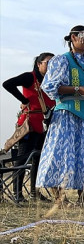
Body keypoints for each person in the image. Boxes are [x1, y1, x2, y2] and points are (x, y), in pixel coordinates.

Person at [36, 25, 84, 207]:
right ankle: (60, 197)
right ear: (73, 37)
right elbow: (48, 86)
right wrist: (77, 89)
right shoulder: (61, 60)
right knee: (62, 154)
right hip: (67, 113)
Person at [2, 52, 56, 202]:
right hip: (30, 123)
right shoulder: (30, 77)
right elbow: (7, 84)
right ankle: (17, 194)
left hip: (45, 124)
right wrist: (24, 99)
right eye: (48, 63)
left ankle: (35, 192)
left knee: (39, 159)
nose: (51, 66)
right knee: (22, 159)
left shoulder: (52, 81)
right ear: (39, 64)